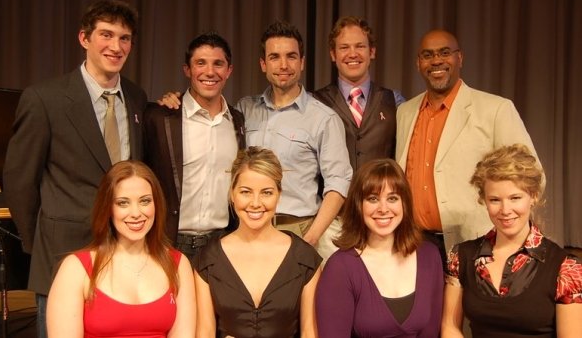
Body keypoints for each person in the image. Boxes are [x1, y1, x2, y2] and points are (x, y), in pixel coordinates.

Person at [3, 0, 147, 337]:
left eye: (124, 38)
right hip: (63, 252)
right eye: (106, 35)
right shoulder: (45, 99)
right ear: (84, 38)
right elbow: (19, 182)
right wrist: (41, 239)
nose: (116, 46)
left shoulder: (138, 98)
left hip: (125, 252)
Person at [396, 29, 538, 260]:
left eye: (444, 53)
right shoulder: (404, 112)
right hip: (414, 243)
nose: (436, 61)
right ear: (418, 63)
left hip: (479, 244)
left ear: (459, 58)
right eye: (428, 55)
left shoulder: (496, 109)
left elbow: (531, 175)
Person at [236, 21, 352, 260]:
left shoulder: (324, 118)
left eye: (291, 56)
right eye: (275, 57)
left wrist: (311, 237)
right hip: (247, 231)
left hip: (298, 232)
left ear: (302, 62)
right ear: (263, 64)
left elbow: (339, 183)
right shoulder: (243, 110)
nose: (284, 65)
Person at [442, 144, 582, 337]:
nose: (505, 210)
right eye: (495, 200)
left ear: (533, 196)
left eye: (515, 198)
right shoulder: (461, 256)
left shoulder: (566, 267)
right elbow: (450, 327)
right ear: (483, 200)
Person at [47, 160, 195, 338]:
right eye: (123, 203)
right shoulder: (76, 268)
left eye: (145, 201)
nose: (136, 213)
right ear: (108, 208)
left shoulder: (178, 264)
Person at [193, 146, 322, 338]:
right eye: (246, 192)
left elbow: (309, 332)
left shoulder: (304, 258)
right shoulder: (208, 259)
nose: (255, 202)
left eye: (266, 193)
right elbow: (205, 331)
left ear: (279, 194)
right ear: (232, 193)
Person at [143, 32, 245, 261]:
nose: (210, 72)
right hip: (168, 242)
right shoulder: (161, 117)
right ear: (187, 70)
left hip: (221, 244)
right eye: (201, 63)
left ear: (229, 70)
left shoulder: (237, 121)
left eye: (218, 64)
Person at [316, 159, 443, 337]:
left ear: (404, 203)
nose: (383, 209)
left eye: (392, 198)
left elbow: (431, 332)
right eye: (373, 199)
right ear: (358, 205)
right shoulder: (340, 267)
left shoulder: (429, 256)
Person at [314, 16, 406, 170]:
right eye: (344, 47)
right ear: (333, 54)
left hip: (380, 192)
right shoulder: (315, 102)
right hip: (333, 194)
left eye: (360, 46)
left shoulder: (395, 101)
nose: (352, 54)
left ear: (372, 52)